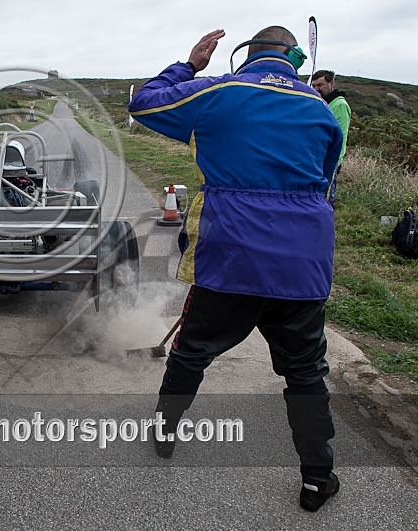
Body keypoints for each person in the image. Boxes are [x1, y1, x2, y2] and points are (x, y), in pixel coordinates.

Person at [128, 27, 343, 512]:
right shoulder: (319, 108)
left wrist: (189, 65)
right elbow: (325, 181)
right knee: (305, 371)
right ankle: (316, 479)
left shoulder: (222, 90)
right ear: (293, 59)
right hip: (304, 261)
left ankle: (164, 435)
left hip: (232, 254)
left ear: (246, 55)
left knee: (192, 352)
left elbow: (144, 103)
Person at [312, 70, 352, 202]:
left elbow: (340, 135)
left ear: (331, 84)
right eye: (314, 86)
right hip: (318, 157)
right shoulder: (322, 103)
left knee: (326, 196)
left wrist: (334, 159)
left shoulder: (339, 105)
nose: (317, 89)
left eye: (320, 85)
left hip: (330, 159)